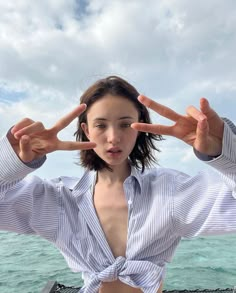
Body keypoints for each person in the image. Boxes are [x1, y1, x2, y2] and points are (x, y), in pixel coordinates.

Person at [0, 75, 236, 293]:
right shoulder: (60, 199)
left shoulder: (169, 192)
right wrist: (12, 161)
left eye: (124, 124)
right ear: (86, 130)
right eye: (101, 125)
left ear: (140, 127)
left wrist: (224, 150)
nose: (113, 137)